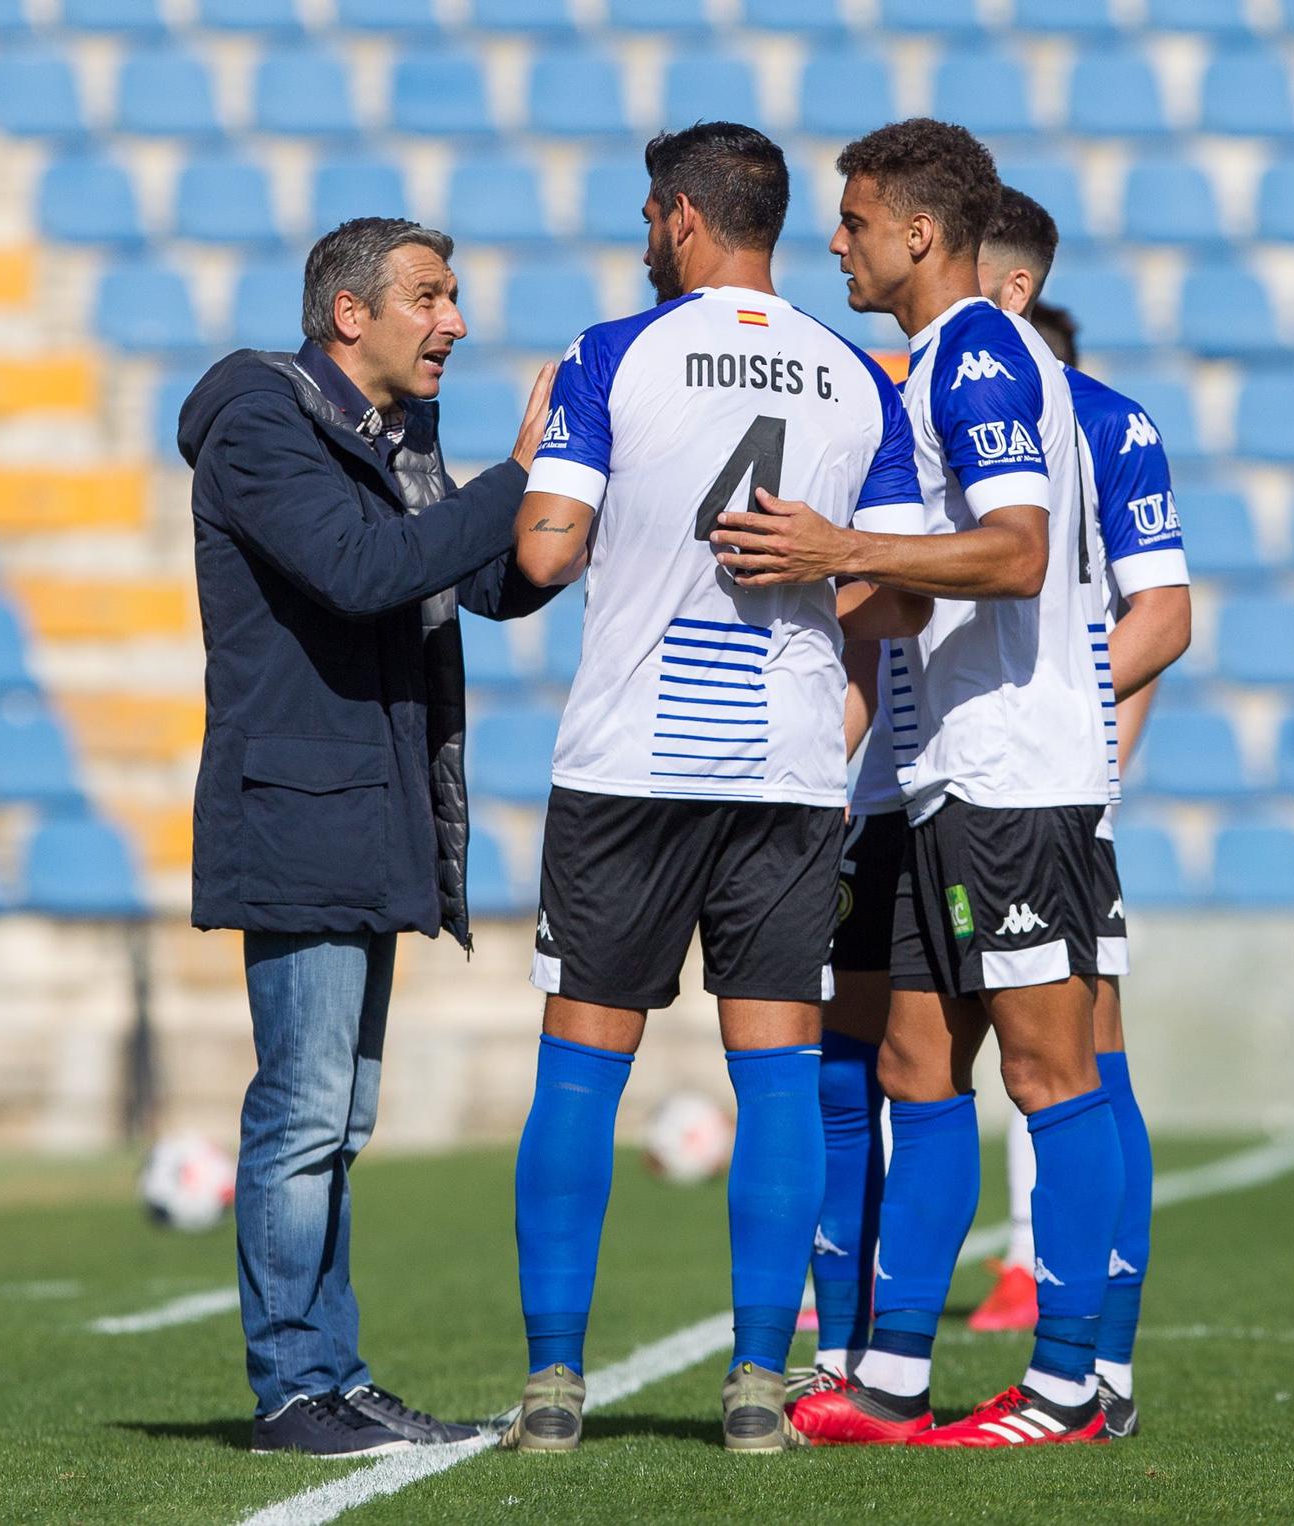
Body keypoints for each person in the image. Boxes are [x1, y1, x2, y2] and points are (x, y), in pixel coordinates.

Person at [495, 121, 927, 1457]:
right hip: (784, 768)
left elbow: (550, 552)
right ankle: (755, 1384)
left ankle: (557, 1386)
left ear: (682, 218)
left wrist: (528, 478)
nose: (641, 237)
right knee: (780, 1078)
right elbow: (900, 587)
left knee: (580, 1074)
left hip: (630, 761)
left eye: (647, 215)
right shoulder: (860, 379)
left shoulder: (608, 354)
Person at [713, 119, 1122, 1448]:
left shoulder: (987, 352)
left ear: (920, 233)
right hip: (946, 770)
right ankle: (892, 1375)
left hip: (1015, 770)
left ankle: (1069, 1383)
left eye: (853, 218)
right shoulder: (937, 363)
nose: (836, 239)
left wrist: (835, 543)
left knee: (1054, 1076)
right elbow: (911, 596)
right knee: (911, 1055)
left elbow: (1013, 553)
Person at [179, 217, 558, 1457]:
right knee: (300, 1111)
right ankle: (294, 1388)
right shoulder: (260, 417)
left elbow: (479, 584)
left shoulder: (388, 434)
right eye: (431, 297)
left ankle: (334, 1376)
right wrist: (514, 479)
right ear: (353, 314)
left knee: (339, 1116)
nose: (455, 320)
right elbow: (357, 568)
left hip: (368, 809)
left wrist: (573, 497)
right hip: (300, 808)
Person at [966, 199, 1193, 1441]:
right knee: (956, 1057)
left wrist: (1074, 728)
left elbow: (1158, 615)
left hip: (1041, 791)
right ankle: (876, 1341)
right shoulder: (936, 403)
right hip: (957, 779)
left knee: (1076, 1056)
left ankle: (1091, 1361)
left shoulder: (1096, 425)